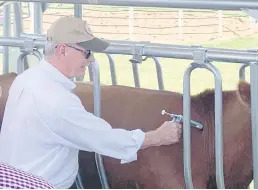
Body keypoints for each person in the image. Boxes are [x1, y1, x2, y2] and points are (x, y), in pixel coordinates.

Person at [0, 16, 182, 189]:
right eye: (86, 52)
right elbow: (105, 139)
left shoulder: (27, 78)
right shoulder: (58, 101)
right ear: (62, 50)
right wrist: (158, 137)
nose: (91, 59)